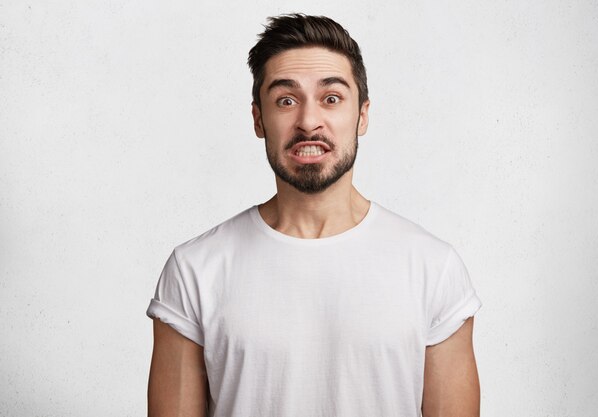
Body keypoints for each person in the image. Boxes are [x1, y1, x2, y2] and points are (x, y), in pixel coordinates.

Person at [146, 13, 482, 417]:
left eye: (332, 98)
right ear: (258, 119)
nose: (308, 121)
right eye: (286, 100)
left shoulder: (433, 267)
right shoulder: (195, 270)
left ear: (362, 116)